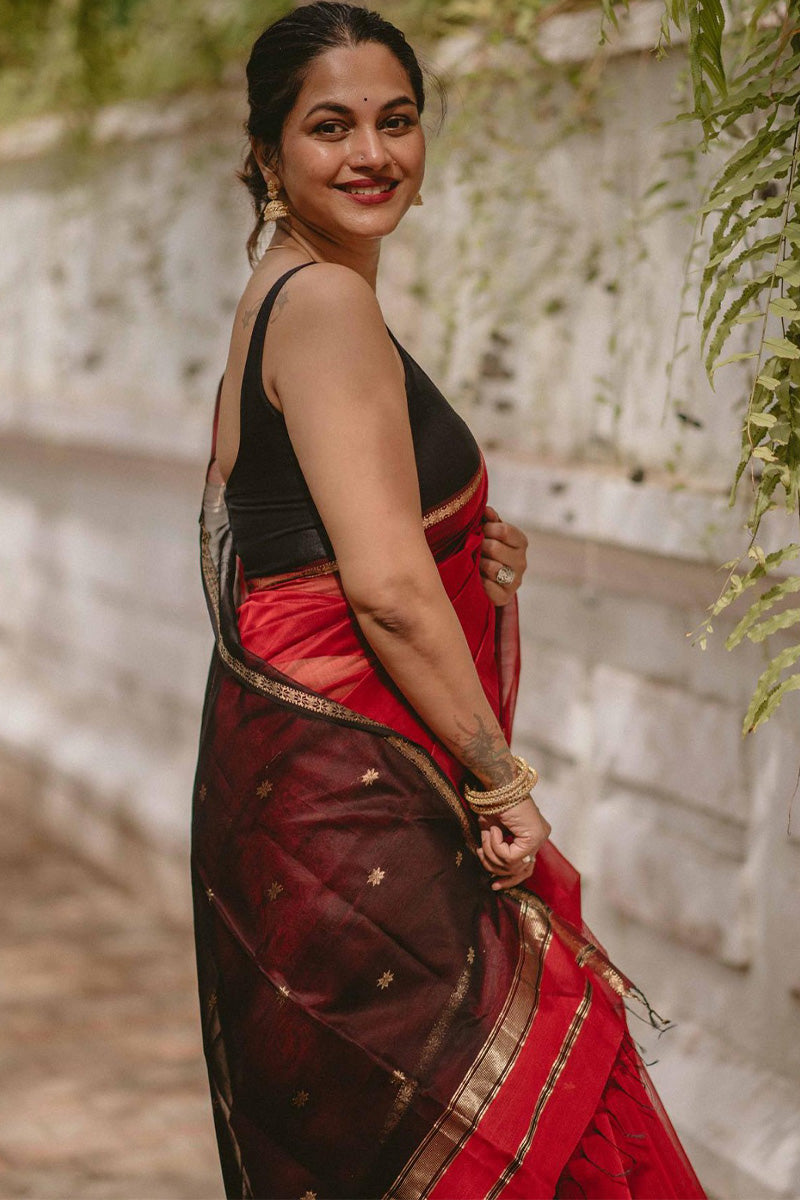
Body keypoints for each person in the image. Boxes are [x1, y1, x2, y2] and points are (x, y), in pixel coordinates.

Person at [191, 4, 707, 1197]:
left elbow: (270, 531)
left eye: (397, 120)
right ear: (268, 153)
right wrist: (500, 781)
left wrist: (457, 538)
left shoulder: (273, 293)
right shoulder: (323, 305)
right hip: (368, 790)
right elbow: (379, 592)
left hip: (293, 789)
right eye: (330, 126)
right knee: (513, 1132)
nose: (372, 153)